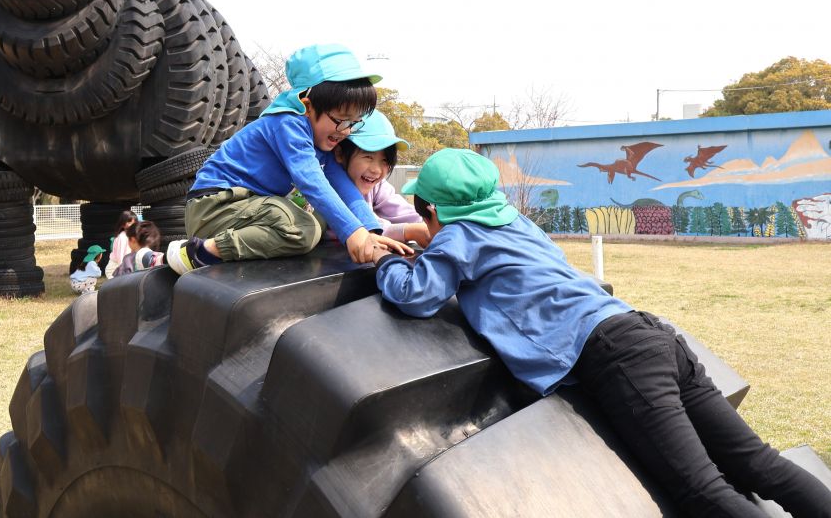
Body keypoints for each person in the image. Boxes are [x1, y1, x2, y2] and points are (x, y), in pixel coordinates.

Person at [371, 148, 831, 518]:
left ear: (432, 209)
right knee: (757, 463)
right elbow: (474, 242)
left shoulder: (457, 240)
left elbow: (416, 294)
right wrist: (432, 234)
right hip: (650, 333)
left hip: (615, 358)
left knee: (700, 491)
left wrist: (385, 256)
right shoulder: (517, 223)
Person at [166, 43, 411, 274]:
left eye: (353, 123)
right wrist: (352, 232)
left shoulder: (320, 143)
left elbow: (342, 187)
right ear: (307, 105)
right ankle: (201, 252)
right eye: (341, 119)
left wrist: (368, 228)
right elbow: (311, 180)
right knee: (304, 228)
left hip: (249, 208)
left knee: (318, 220)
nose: (345, 131)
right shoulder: (288, 124)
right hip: (215, 207)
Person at [332, 109, 430, 247]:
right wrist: (408, 231)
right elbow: (361, 226)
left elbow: (404, 212)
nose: (376, 170)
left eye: (385, 161)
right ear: (340, 154)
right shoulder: (329, 186)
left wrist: (432, 223)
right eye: (368, 157)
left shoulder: (376, 185)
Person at [106, 209, 138, 278]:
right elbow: (120, 258)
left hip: (125, 267)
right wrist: (123, 273)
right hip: (115, 269)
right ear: (123, 224)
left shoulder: (132, 236)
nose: (132, 224)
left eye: (134, 222)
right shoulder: (122, 237)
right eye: (129, 222)